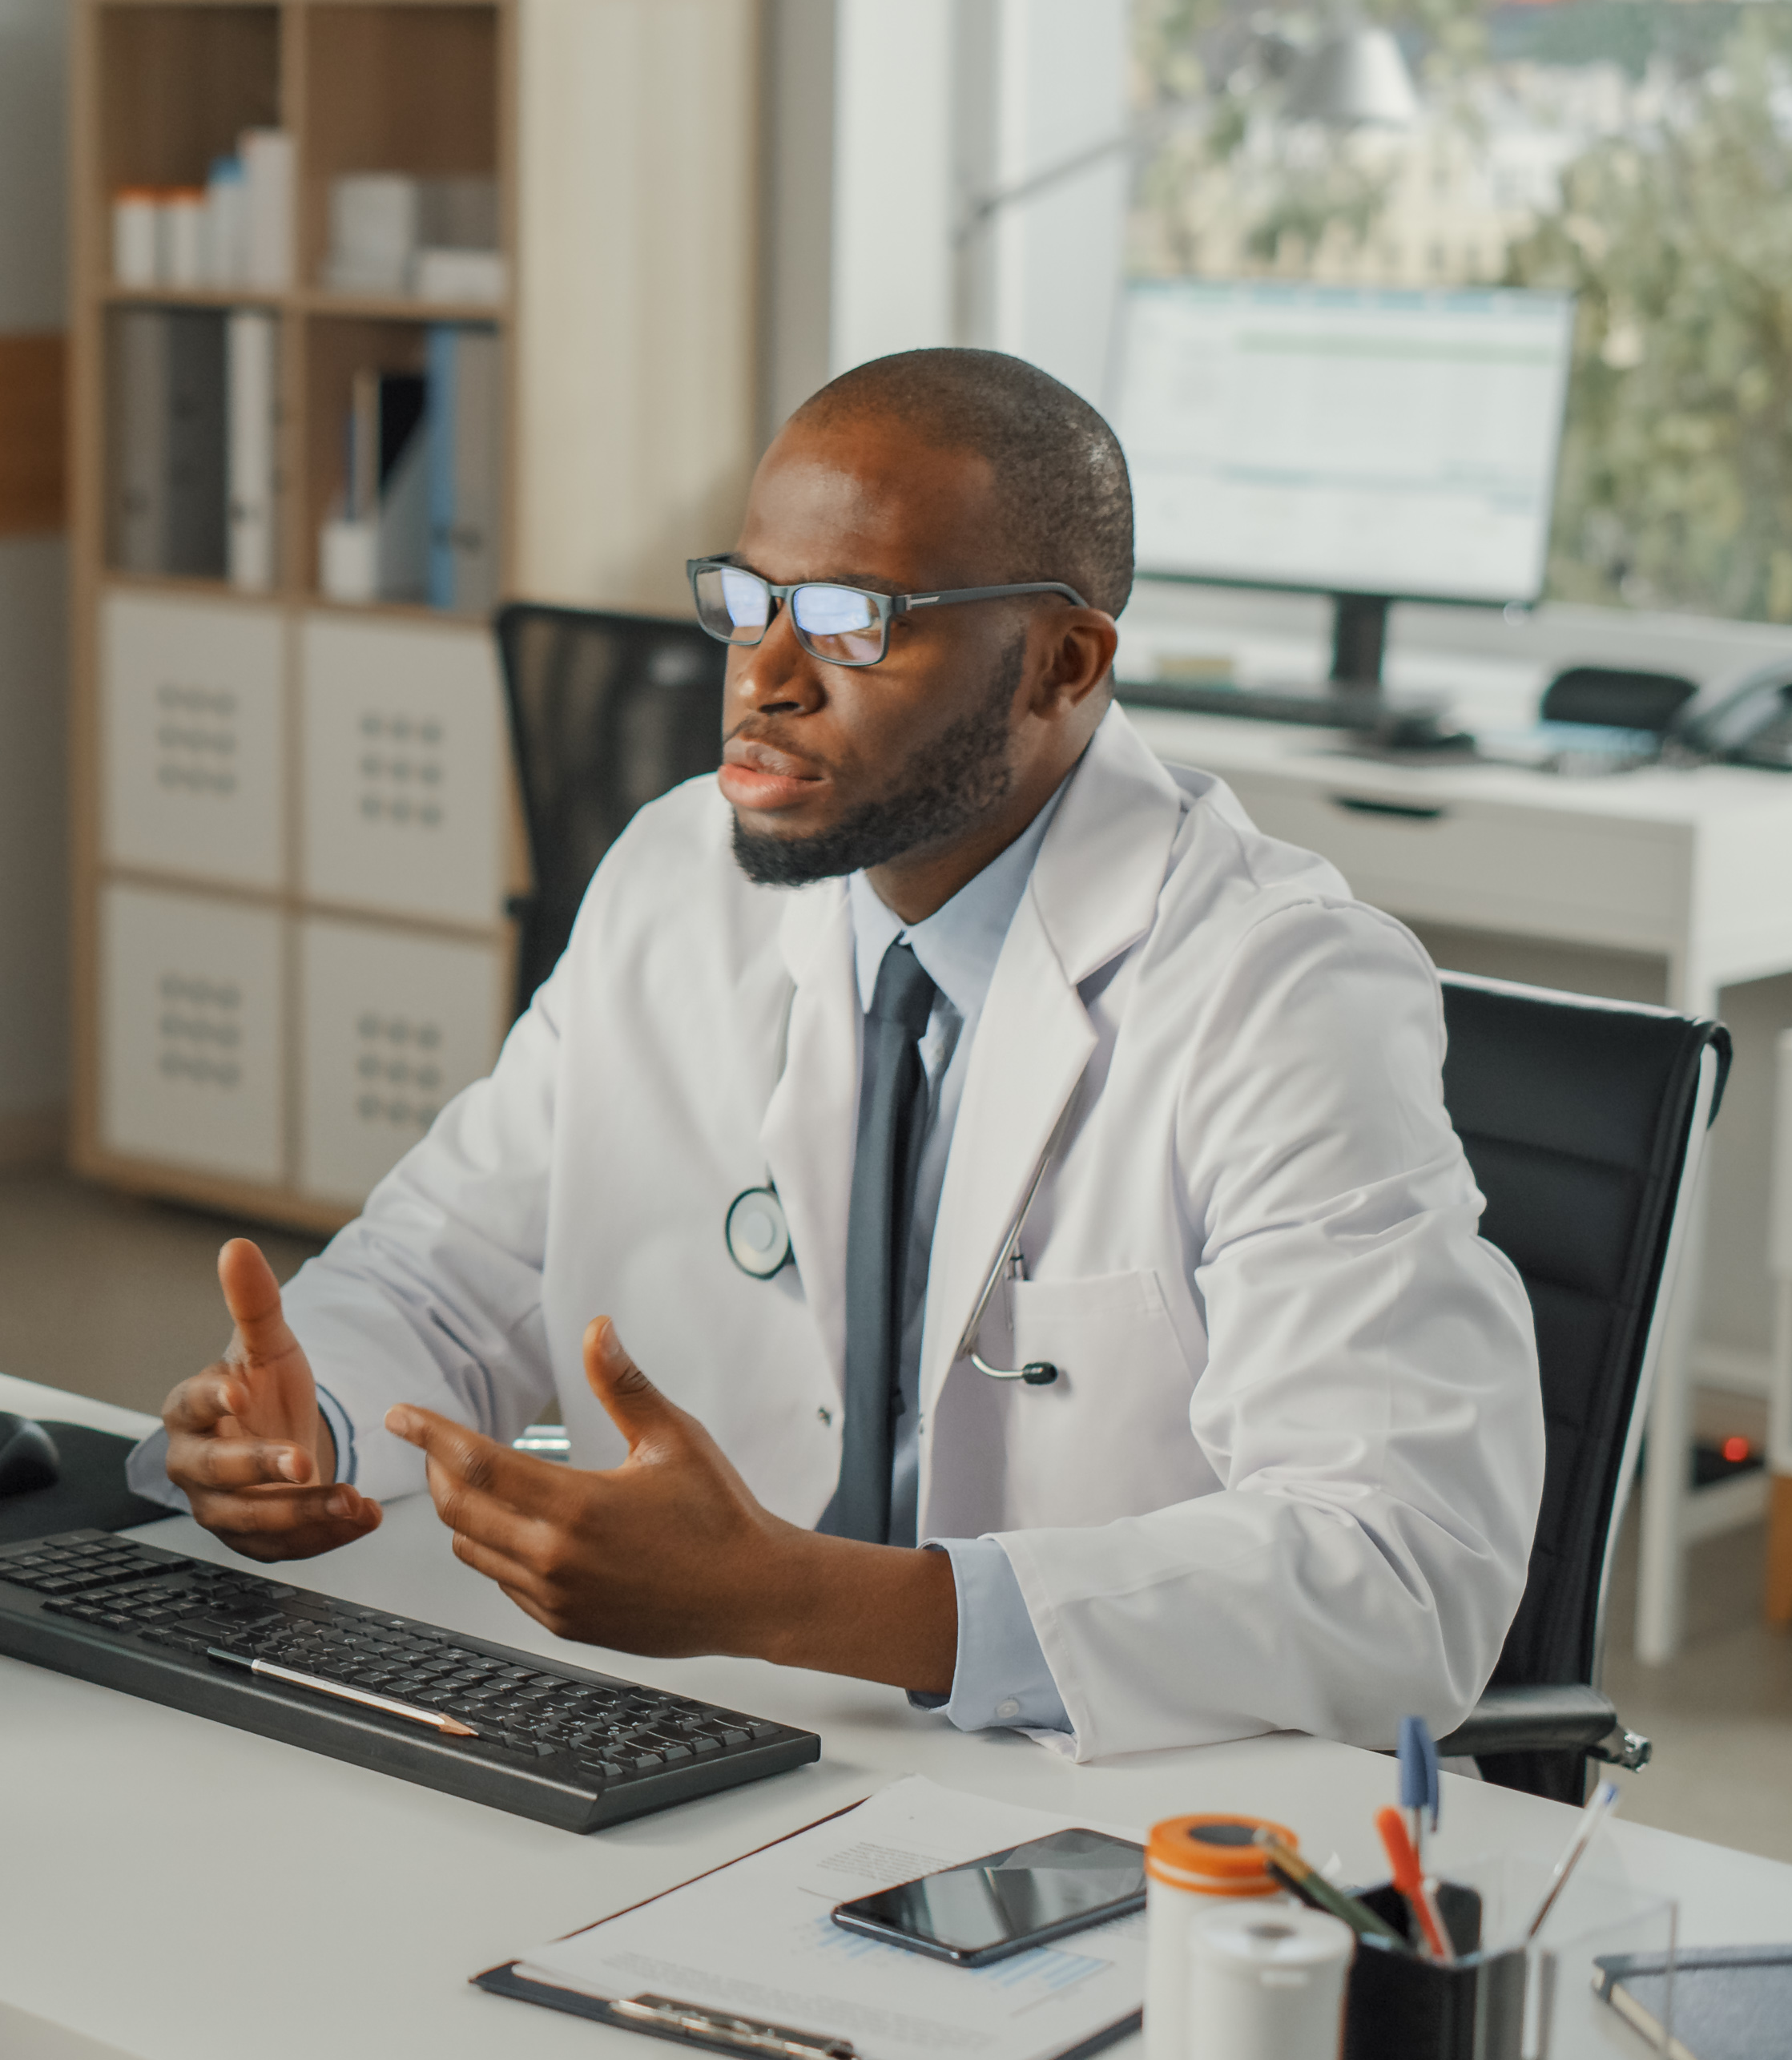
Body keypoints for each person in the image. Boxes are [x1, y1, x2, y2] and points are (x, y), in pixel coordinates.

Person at [136, 349, 1543, 1760]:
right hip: (691, 1727)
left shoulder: (1278, 988)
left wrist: (802, 1604)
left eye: (855, 621)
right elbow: (447, 1280)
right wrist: (302, 1424)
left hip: (1087, 1793)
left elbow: (1403, 1575)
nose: (766, 675)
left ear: (1066, 663)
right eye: (748, 601)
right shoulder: (674, 877)